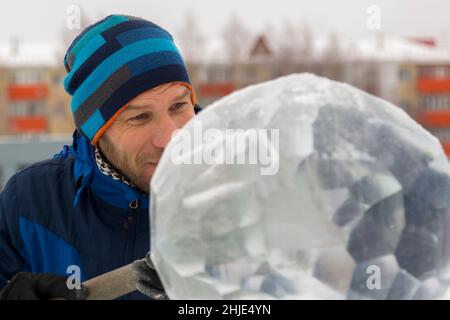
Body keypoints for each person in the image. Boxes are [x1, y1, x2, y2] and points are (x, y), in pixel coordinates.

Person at [0, 14, 198, 299]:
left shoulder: (237, 195)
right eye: (140, 117)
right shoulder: (30, 202)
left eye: (179, 105)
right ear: (97, 131)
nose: (170, 137)